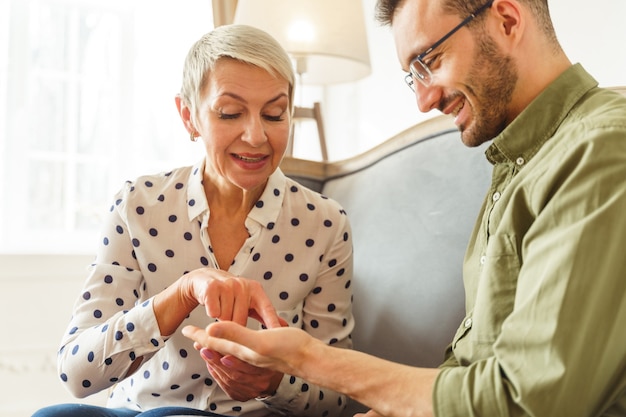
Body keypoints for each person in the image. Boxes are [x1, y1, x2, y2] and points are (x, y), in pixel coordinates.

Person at [182, 0, 626, 416]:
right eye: (412, 76)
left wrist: (306, 357)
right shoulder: (517, 166)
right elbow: (476, 370)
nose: (424, 100)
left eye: (429, 61)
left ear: (507, 20)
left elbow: (529, 399)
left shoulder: (602, 149)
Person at [32, 24, 354, 417]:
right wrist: (180, 294)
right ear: (189, 116)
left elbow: (341, 395)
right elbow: (76, 372)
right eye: (230, 113)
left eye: (274, 114)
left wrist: (273, 384)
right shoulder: (137, 205)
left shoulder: (324, 224)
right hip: (136, 410)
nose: (256, 136)